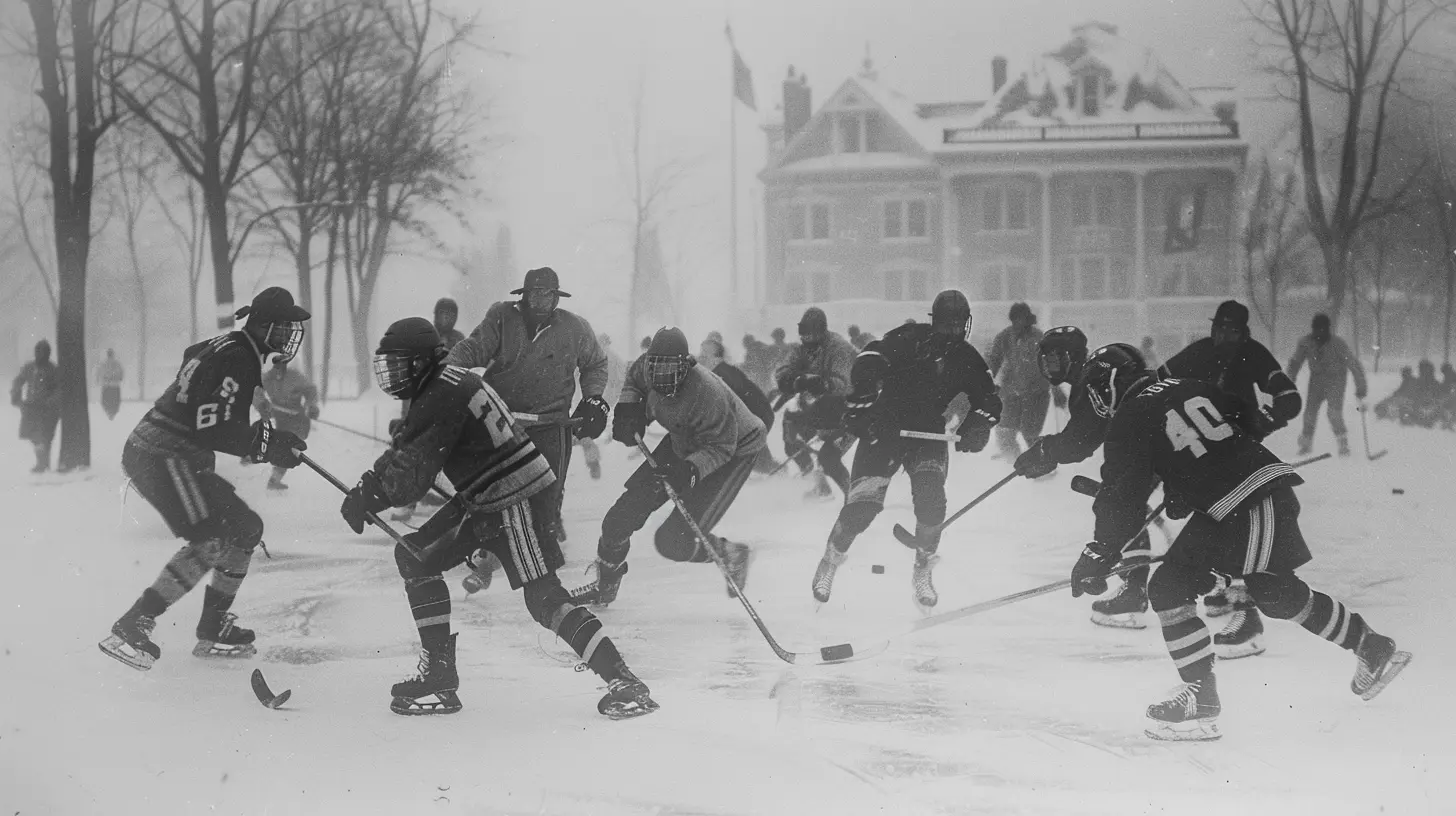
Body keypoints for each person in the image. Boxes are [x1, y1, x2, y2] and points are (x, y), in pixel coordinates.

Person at [1069, 343, 1411, 741]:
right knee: (1273, 591)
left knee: (1170, 585)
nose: (1097, 402)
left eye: (1096, 391)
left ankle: (1201, 696)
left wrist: (1098, 552)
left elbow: (1121, 498)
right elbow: (1239, 418)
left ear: (1110, 383)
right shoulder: (1186, 385)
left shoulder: (1127, 421)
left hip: (1240, 504)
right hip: (1259, 494)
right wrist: (1186, 481)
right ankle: (1371, 646)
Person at [336, 318, 656, 718]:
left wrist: (372, 494)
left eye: (399, 363)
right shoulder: (448, 382)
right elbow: (407, 447)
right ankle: (439, 674)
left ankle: (623, 679)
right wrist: (370, 486)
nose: (393, 373)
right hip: (488, 494)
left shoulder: (439, 394)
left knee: (544, 598)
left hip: (512, 495)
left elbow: (412, 475)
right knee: (415, 557)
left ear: (420, 363)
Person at [98, 287, 311, 671]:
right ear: (263, 326)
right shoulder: (239, 357)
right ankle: (133, 623)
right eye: (284, 327)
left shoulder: (232, 347)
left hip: (175, 453)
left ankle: (213, 628)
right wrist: (269, 446)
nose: (290, 334)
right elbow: (213, 428)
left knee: (246, 527)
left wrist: (266, 436)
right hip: (163, 455)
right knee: (210, 537)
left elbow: (194, 363)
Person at [811, 290, 1001, 608]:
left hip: (927, 434)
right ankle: (830, 560)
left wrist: (978, 424)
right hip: (884, 428)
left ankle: (922, 569)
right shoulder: (909, 338)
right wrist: (867, 388)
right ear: (934, 322)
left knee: (931, 501)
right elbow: (871, 357)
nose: (954, 333)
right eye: (947, 325)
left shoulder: (967, 358)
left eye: (959, 325)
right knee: (862, 508)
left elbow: (989, 398)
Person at [569, 327, 763, 607]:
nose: (660, 378)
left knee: (674, 542)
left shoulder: (706, 393)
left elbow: (721, 447)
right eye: (656, 367)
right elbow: (634, 381)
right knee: (619, 519)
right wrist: (629, 409)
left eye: (670, 369)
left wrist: (690, 470)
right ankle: (605, 583)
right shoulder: (644, 368)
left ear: (686, 366)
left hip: (733, 449)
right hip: (683, 438)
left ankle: (731, 553)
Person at [1159, 299, 1302, 655]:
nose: (1223, 336)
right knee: (1211, 518)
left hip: (1238, 446)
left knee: (1236, 520)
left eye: (1232, 331)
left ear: (1244, 333)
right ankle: (1226, 587)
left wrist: (1270, 418)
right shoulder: (1200, 351)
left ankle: (1247, 612)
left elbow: (1289, 395)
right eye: (1219, 328)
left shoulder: (1254, 354)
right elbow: (1158, 382)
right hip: (1199, 446)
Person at [444, 267, 610, 547]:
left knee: (547, 493)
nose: (541, 300)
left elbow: (595, 363)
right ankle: (486, 545)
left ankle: (546, 539)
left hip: (551, 423)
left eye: (547, 294)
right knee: (494, 490)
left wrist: (593, 397)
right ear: (524, 294)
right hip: (501, 420)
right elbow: (474, 348)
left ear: (557, 298)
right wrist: (446, 370)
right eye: (535, 293)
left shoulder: (574, 328)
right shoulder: (502, 317)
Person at [1012, 326, 1158, 628]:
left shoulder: (1092, 377)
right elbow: (1084, 439)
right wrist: (1048, 454)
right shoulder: (1092, 379)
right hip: (1160, 436)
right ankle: (1222, 585)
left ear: (1071, 357)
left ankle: (1133, 587)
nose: (1048, 367)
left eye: (1053, 359)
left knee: (1115, 501)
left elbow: (1079, 441)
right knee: (1121, 498)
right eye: (1045, 360)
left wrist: (1045, 451)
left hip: (1145, 441)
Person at [774, 307, 857, 499]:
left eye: (811, 337)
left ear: (821, 332)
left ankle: (854, 497)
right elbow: (784, 369)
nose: (807, 341)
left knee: (829, 457)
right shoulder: (803, 348)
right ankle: (819, 483)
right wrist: (792, 379)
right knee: (791, 435)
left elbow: (844, 384)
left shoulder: (839, 348)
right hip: (821, 406)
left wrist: (821, 383)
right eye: (804, 337)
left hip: (848, 408)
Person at [1287, 313, 1367, 456]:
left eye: (1323, 329)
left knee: (1333, 413)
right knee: (1309, 413)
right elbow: (1295, 362)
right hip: (1316, 380)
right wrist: (1288, 382)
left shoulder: (1338, 344)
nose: (1320, 333)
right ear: (1313, 329)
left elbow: (1353, 364)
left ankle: (1343, 443)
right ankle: (1306, 444)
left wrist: (1360, 386)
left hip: (1336, 380)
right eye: (1317, 329)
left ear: (1328, 329)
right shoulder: (1306, 342)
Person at [986, 302, 1055, 461]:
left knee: (1029, 433)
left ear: (1028, 319)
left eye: (1021, 319)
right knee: (1004, 430)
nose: (1018, 323)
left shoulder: (1039, 338)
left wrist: (1057, 388)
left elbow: (1050, 366)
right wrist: (987, 381)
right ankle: (1012, 461)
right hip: (1012, 393)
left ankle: (1044, 462)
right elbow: (994, 360)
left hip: (1036, 394)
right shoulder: (1005, 336)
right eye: (1015, 320)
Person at [700, 336, 779, 473]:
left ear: (713, 357)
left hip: (757, 419)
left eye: (703, 355)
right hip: (758, 417)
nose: (700, 358)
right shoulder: (722, 371)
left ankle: (766, 469)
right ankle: (767, 467)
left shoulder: (722, 374)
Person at [254, 358, 320, 490]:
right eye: (276, 366)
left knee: (290, 446)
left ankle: (274, 478)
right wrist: (262, 405)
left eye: (282, 365)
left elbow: (310, 390)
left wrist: (311, 406)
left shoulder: (295, 376)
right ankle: (274, 479)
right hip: (280, 417)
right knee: (286, 448)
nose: (279, 369)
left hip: (298, 418)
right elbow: (256, 392)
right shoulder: (266, 379)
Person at [574, 332, 627, 481]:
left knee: (585, 434)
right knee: (586, 433)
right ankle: (593, 461)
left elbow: (577, 378)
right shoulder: (614, 358)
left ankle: (594, 462)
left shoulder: (596, 358)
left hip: (594, 402)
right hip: (601, 402)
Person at [11, 339, 62, 473]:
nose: (40, 355)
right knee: (34, 436)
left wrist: (51, 401)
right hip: (31, 408)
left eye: (43, 352)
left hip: (48, 410)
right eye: (38, 351)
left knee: (46, 437)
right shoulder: (29, 367)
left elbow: (59, 388)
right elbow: (18, 381)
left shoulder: (53, 370)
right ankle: (42, 463)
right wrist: (16, 396)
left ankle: (43, 464)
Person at [96, 348, 125, 421]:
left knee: (106, 401)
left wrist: (99, 380)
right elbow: (121, 373)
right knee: (115, 401)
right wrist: (119, 378)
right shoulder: (117, 363)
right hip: (115, 385)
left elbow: (99, 373)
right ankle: (113, 412)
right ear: (113, 354)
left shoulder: (103, 363)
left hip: (106, 386)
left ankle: (108, 412)